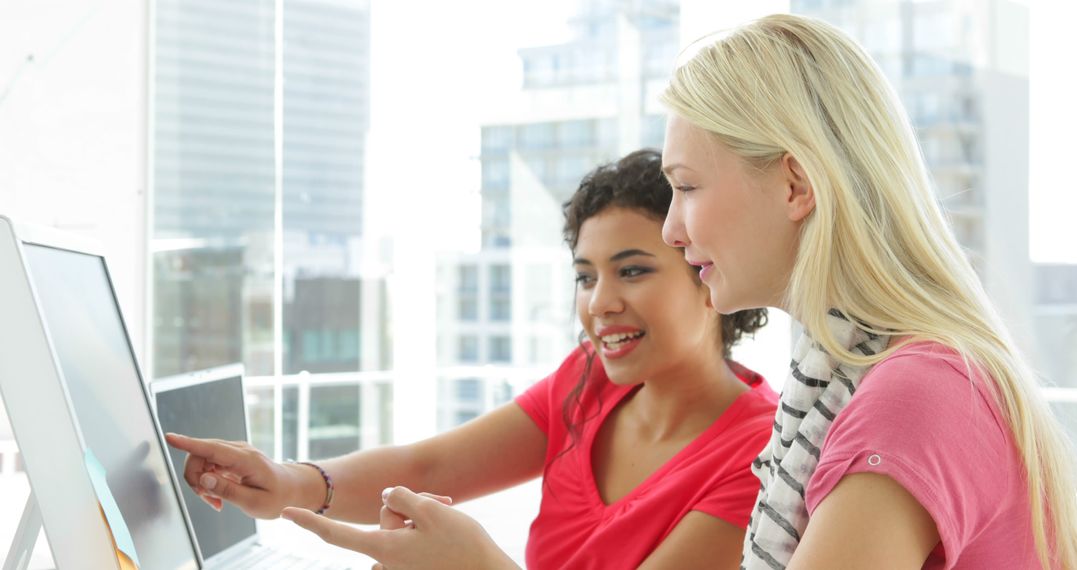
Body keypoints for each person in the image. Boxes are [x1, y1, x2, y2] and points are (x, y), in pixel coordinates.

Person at [166, 149, 779, 569]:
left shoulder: (760, 456)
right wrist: (289, 484)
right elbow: (430, 469)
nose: (600, 303)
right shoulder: (586, 383)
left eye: (633, 271)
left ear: (707, 273)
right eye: (585, 277)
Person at [656, 13, 1077, 570]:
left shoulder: (912, 399)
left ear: (795, 185)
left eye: (686, 187)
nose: (671, 230)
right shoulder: (874, 376)